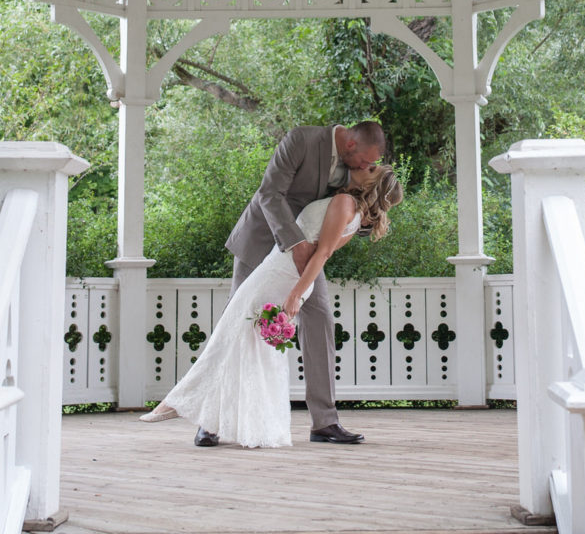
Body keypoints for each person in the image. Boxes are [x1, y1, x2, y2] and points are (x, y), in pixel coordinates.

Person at [140, 164, 403, 448]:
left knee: (228, 333)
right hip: (286, 274)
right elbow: (319, 251)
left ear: (373, 182)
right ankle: (244, 422)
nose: (364, 167)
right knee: (251, 347)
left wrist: (295, 294)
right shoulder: (355, 217)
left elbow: (322, 253)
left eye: (372, 169)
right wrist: (299, 291)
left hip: (280, 274)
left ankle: (177, 402)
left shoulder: (344, 203)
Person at [202, 121, 386, 446]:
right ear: (351, 144)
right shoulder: (301, 139)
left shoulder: (353, 168)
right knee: (236, 322)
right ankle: (211, 422)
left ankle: (325, 423)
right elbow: (269, 194)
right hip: (263, 240)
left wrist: (368, 216)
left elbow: (346, 208)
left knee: (320, 318)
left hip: (308, 253)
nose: (365, 169)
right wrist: (294, 242)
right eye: (364, 162)